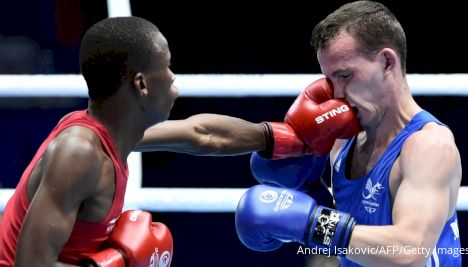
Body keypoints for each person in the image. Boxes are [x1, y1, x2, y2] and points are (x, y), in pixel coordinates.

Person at [0, 16, 360, 266]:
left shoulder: (112, 137)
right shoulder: (78, 153)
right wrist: (116, 262)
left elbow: (201, 134)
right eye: (167, 67)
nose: (175, 81)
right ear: (141, 84)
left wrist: (285, 139)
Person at [235, 1, 462, 267]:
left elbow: (408, 253)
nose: (337, 94)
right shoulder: (342, 140)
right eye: (330, 80)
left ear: (387, 62)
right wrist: (311, 191)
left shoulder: (428, 147)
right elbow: (356, 231)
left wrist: (310, 224)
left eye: (345, 75)